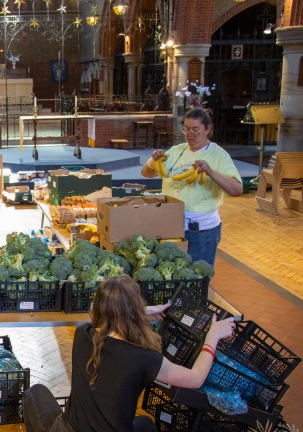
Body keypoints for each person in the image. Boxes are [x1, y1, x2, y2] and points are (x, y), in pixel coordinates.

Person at [23, 275, 237, 432]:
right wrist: (212, 338)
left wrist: (141, 312)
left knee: (35, 392)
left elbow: (101, 317)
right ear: (135, 310)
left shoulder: (82, 335)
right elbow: (196, 378)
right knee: (145, 425)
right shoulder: (144, 357)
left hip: (68, 429)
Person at [141, 108, 242, 265]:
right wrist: (152, 160)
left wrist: (210, 172)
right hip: (170, 223)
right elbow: (147, 173)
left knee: (196, 277)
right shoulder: (177, 151)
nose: (190, 134)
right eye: (186, 129)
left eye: (195, 129)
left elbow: (237, 190)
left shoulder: (218, 154)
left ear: (207, 129)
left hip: (199, 230)